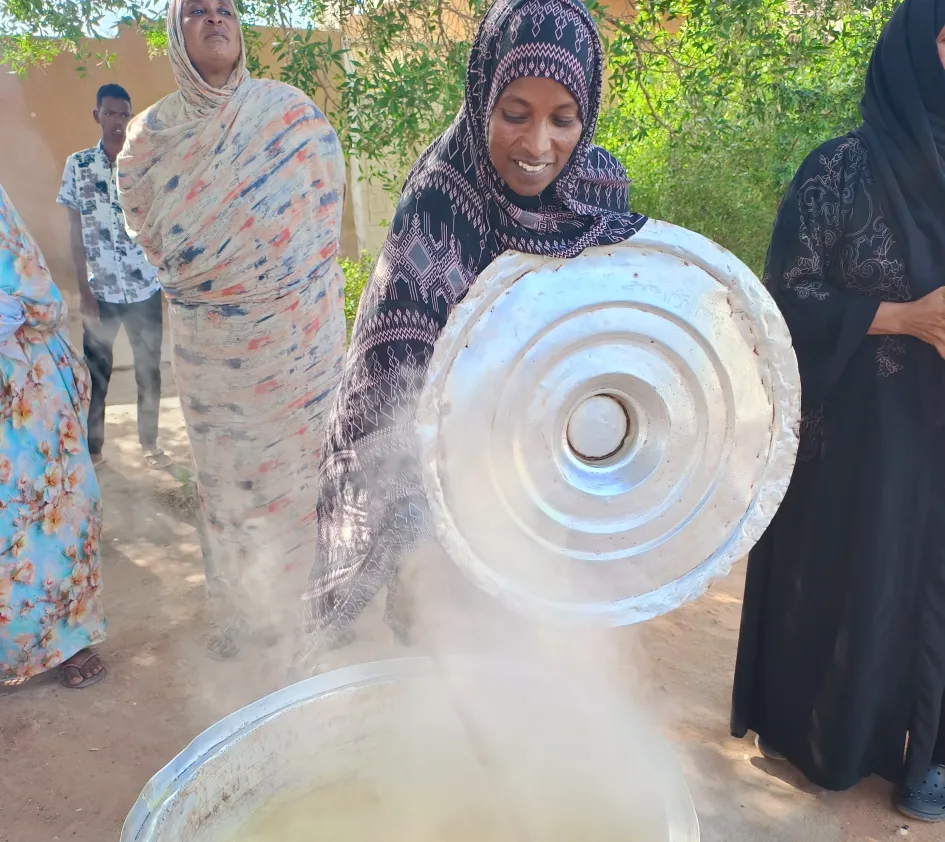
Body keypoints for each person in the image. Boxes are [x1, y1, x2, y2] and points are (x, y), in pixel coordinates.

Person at [301, 0, 646, 652]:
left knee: (538, 664)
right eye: (514, 114)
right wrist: (420, 547)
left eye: (563, 119)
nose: (538, 145)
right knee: (447, 667)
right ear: (482, 92)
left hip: (551, 478)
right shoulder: (441, 202)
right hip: (444, 485)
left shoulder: (594, 196)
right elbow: (391, 391)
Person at [731, 0, 945, 822]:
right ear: (910, 50)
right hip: (860, 438)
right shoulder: (840, 171)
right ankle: (834, 737)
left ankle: (928, 754)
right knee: (862, 577)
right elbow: (780, 305)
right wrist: (902, 316)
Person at [117, 0, 346, 659]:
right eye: (196, 12)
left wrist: (282, 280)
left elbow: (325, 202)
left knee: (306, 475)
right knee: (229, 481)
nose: (214, 19)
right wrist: (220, 281)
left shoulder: (290, 115)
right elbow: (144, 224)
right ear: (175, 32)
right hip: (212, 349)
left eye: (225, 9)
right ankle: (247, 614)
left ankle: (315, 607)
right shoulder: (150, 136)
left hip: (299, 341)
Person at [0, 183, 107, 689]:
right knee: (37, 519)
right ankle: (47, 646)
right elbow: (41, 303)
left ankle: (68, 640)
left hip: (22, 385)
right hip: (19, 393)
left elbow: (37, 300)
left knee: (52, 513)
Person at [58, 83, 169, 470]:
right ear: (97, 116)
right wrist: (82, 290)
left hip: (143, 287)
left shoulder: (144, 162)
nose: (118, 121)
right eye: (111, 113)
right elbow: (74, 230)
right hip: (100, 290)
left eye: (125, 114)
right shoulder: (78, 165)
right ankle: (95, 450)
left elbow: (159, 223)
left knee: (149, 372)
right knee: (97, 376)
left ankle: (151, 444)